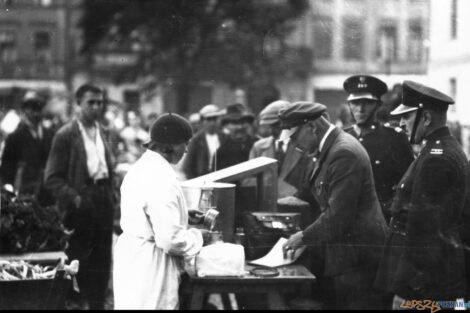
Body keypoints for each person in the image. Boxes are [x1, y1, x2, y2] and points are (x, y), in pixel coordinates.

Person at [278, 101, 388, 309]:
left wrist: (302, 237)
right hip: (348, 256)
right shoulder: (329, 148)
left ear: (312, 126)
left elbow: (338, 216)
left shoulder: (343, 152)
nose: (293, 144)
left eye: (294, 136)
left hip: (360, 260)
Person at [374, 81, 468, 308]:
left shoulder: (436, 157)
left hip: (428, 280)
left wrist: (405, 291)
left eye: (406, 117)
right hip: (439, 271)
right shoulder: (444, 148)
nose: (401, 124)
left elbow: (424, 230)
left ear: (425, 118)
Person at [113, 113, 205, 309]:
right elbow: (170, 240)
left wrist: (182, 214)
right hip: (151, 264)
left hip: (133, 255)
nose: (187, 150)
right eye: (184, 143)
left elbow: (145, 209)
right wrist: (198, 238)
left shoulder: (142, 166)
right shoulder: (161, 177)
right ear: (167, 147)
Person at [44, 84, 116, 310]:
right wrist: (75, 199)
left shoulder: (103, 131)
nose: (96, 107)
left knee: (103, 257)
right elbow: (52, 178)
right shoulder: (65, 135)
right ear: (78, 104)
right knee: (80, 258)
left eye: (99, 102)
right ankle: (77, 303)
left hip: (103, 197)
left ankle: (97, 303)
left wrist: (113, 194)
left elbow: (108, 168)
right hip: (81, 201)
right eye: (90, 103)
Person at [343, 75, 414, 223]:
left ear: (378, 105)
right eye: (355, 103)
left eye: (367, 103)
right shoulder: (341, 138)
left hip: (381, 220)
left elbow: (408, 182)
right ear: (349, 105)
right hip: (345, 219)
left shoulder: (394, 138)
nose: (360, 108)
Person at [0, 91, 55, 206]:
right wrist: (10, 187)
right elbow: (7, 165)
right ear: (25, 111)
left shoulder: (49, 134)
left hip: (47, 189)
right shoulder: (16, 136)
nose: (36, 113)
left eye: (38, 109)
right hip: (24, 189)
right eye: (32, 109)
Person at [182, 104, 225, 179]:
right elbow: (187, 167)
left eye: (214, 119)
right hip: (203, 181)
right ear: (202, 121)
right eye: (209, 119)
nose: (212, 123)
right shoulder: (196, 140)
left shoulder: (224, 137)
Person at [215, 103, 256, 170]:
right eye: (235, 123)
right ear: (226, 126)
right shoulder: (221, 153)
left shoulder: (259, 146)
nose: (239, 127)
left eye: (242, 122)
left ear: (249, 124)